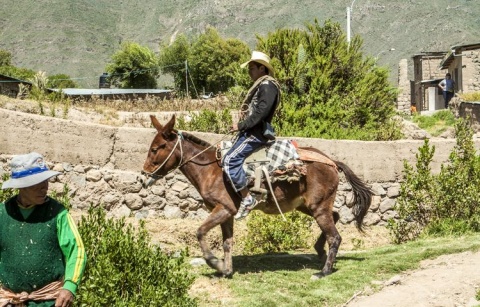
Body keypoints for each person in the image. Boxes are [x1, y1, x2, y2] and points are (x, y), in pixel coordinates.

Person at [0, 152, 87, 307]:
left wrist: (69, 287)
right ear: (21, 186)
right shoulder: (3, 213)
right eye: (37, 183)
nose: (45, 187)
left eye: (46, 181)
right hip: (10, 302)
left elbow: (77, 251)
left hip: (49, 302)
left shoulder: (58, 213)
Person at [223, 51, 281, 220]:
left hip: (255, 134)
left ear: (261, 68)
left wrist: (240, 125)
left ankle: (247, 198)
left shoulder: (267, 87)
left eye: (251, 68)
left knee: (229, 160)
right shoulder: (262, 86)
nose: (249, 72)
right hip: (250, 132)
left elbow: (260, 114)